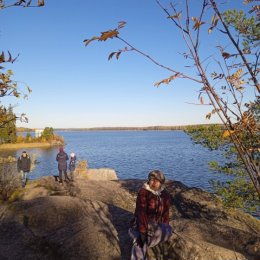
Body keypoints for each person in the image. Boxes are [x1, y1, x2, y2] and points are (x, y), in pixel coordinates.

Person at [129, 170, 172, 260]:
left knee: (168, 230)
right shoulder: (143, 193)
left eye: (156, 180)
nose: (153, 182)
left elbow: (165, 213)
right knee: (139, 241)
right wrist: (142, 232)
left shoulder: (165, 194)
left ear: (161, 182)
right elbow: (141, 213)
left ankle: (148, 240)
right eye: (151, 179)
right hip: (142, 223)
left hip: (157, 225)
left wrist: (164, 225)